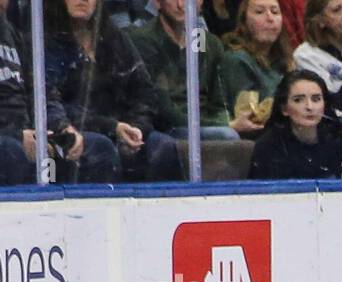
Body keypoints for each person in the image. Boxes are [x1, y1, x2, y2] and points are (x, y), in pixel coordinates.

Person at [42, 0, 182, 181]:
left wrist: (136, 127)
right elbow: (50, 102)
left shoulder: (113, 37)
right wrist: (112, 127)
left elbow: (144, 90)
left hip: (121, 129)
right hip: (72, 132)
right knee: (101, 149)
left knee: (164, 148)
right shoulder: (45, 41)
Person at [0, 0, 118, 182]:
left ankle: (75, 210)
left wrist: (62, 127)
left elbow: (41, 91)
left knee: (98, 149)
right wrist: (16, 135)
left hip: (27, 133)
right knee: (10, 152)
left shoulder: (11, 34)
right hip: (9, 139)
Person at [128, 0, 237, 140]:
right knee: (227, 135)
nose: (181, 5)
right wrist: (226, 125)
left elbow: (220, 103)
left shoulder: (206, 42)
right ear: (157, 2)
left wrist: (224, 122)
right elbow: (163, 111)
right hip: (165, 129)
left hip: (204, 126)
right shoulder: (144, 40)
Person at [248, 67, 342, 178]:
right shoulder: (268, 147)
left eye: (316, 99)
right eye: (298, 100)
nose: (309, 107)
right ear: (284, 109)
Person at [220, 0, 295, 138]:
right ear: (244, 21)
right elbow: (251, 117)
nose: (270, 18)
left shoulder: (285, 60)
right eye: (259, 12)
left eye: (275, 12)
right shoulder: (237, 60)